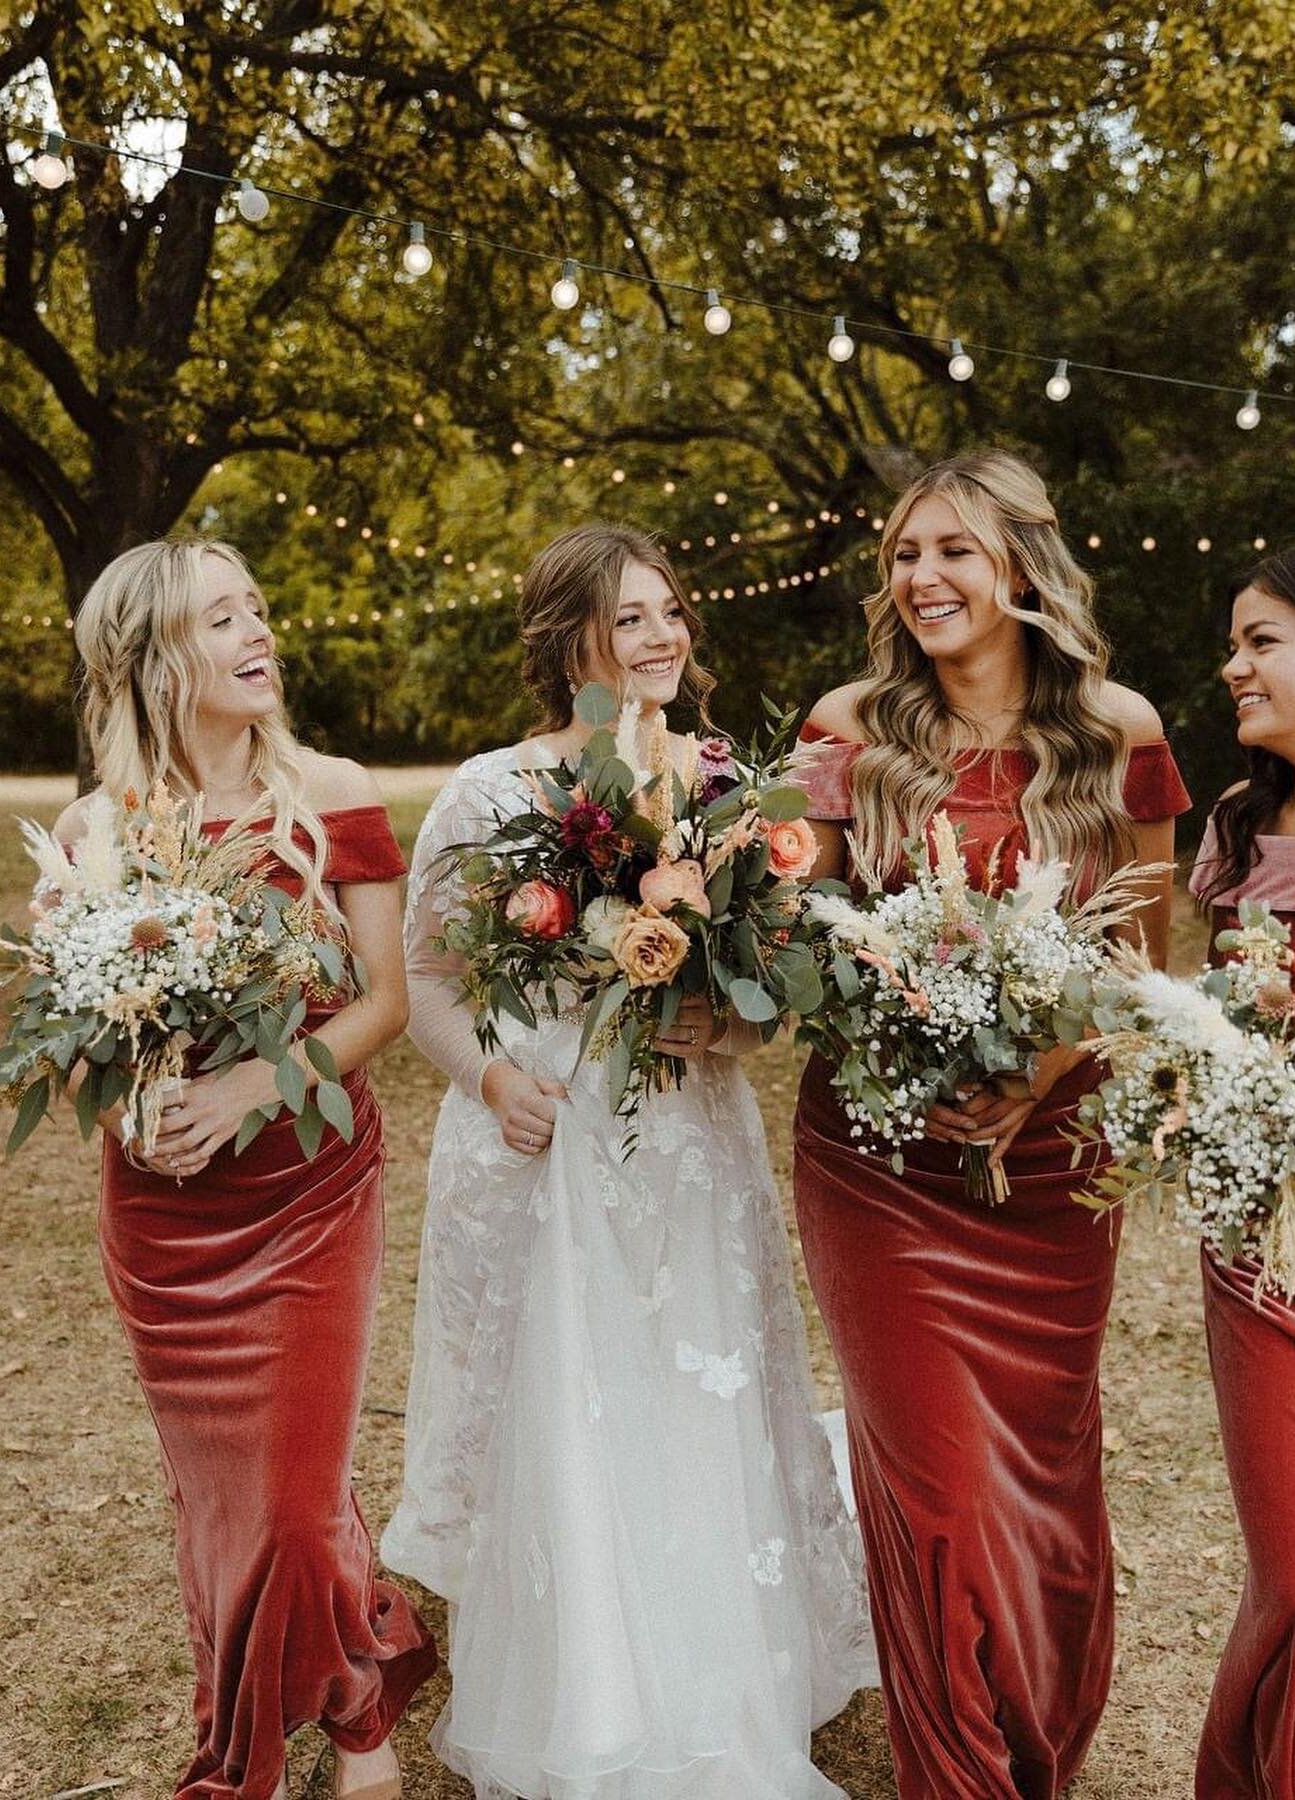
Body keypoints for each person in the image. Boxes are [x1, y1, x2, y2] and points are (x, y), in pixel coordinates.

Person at [382, 522, 878, 1800]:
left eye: (672, 612)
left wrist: (732, 1018)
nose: (662, 637)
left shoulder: (724, 788)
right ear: (569, 640)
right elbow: (429, 979)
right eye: (631, 616)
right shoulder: (491, 792)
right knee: (572, 1397)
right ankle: (590, 1686)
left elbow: (761, 992)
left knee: (692, 1387)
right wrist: (492, 1079)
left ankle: (727, 1675)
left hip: (689, 1147)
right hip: (542, 1146)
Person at [792, 451, 1188, 1799]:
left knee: (1044, 1465)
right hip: (876, 1158)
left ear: (1024, 565)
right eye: (906, 555)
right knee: (935, 1487)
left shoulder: (1118, 732)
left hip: (1051, 1163)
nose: (924, 580)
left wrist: (1045, 1058)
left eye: (954, 551)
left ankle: (1042, 1730)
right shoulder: (851, 724)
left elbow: (1152, 968)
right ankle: (955, 1770)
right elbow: (804, 939)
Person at [60, 538, 436, 1800]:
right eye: (222, 621)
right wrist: (134, 1107)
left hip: (308, 1188)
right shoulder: (94, 830)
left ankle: (341, 1715)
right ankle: (357, 1707)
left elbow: (381, 1004)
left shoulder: (333, 792)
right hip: (166, 1225)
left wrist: (250, 1088)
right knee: (228, 1504)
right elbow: (80, 1043)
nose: (257, 634)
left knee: (291, 1494)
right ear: (156, 660)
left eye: (257, 610)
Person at [1190, 540, 1295, 1799]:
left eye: (1263, 639)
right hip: (1266, 1255)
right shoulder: (1235, 834)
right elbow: (1205, 1026)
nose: (1233, 665)